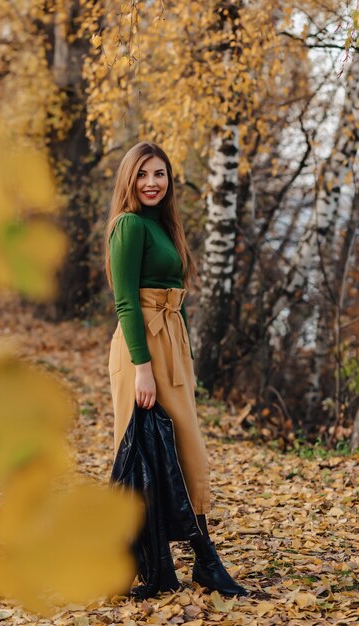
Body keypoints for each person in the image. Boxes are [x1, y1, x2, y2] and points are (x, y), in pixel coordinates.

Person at [105, 141, 247, 598]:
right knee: (142, 456)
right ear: (130, 178)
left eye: (160, 174)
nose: (152, 182)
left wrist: (183, 359)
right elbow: (126, 300)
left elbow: (174, 295)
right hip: (141, 348)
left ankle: (195, 562)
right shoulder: (127, 225)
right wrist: (143, 368)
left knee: (186, 453)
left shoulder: (164, 227)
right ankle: (174, 561)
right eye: (143, 173)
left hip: (170, 344)